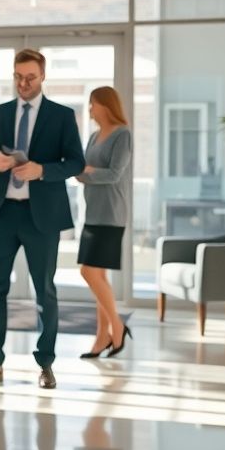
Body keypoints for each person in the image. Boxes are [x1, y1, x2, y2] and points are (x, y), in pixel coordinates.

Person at [0, 49, 85, 390]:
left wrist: (42, 170)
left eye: (30, 77)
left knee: (45, 291)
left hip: (42, 217)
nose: (23, 83)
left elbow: (76, 163)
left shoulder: (62, 116)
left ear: (43, 76)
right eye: (18, 77)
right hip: (2, 213)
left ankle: (46, 363)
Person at [75, 86, 133, 358]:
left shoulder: (123, 134)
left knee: (88, 272)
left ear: (106, 106)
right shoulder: (93, 137)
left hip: (111, 214)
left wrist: (87, 172)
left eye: (93, 103)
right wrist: (83, 171)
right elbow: (82, 172)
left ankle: (117, 326)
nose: (90, 109)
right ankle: (102, 337)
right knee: (99, 276)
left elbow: (114, 174)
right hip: (93, 212)